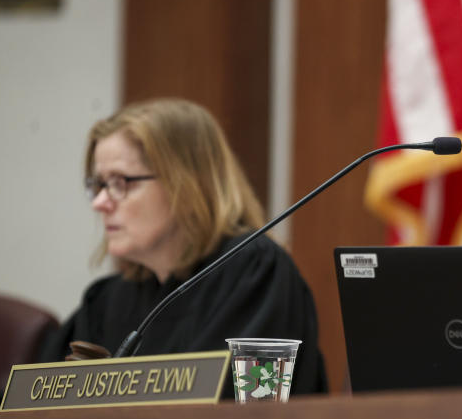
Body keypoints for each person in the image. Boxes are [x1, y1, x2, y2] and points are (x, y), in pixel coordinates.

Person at [35, 98, 327, 396]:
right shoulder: (108, 301)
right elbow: (26, 401)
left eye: (121, 182)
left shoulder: (255, 273)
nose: (100, 203)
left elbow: (238, 409)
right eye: (98, 185)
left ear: (186, 183)